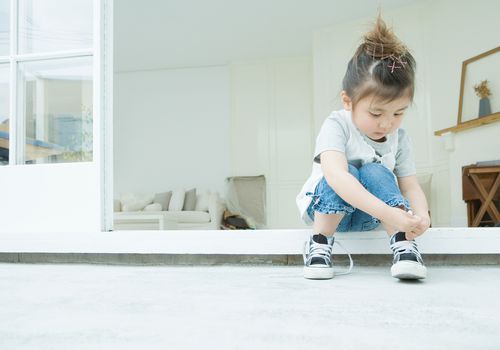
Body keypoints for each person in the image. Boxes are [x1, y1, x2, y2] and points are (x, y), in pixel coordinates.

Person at [296, 15, 430, 280]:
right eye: (377, 113)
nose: (387, 124)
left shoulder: (399, 138)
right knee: (350, 173)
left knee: (376, 172)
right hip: (328, 211)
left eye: (398, 113)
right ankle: (320, 244)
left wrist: (422, 216)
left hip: (371, 216)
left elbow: (410, 186)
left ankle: (403, 243)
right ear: (348, 101)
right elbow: (336, 177)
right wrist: (390, 213)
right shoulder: (336, 124)